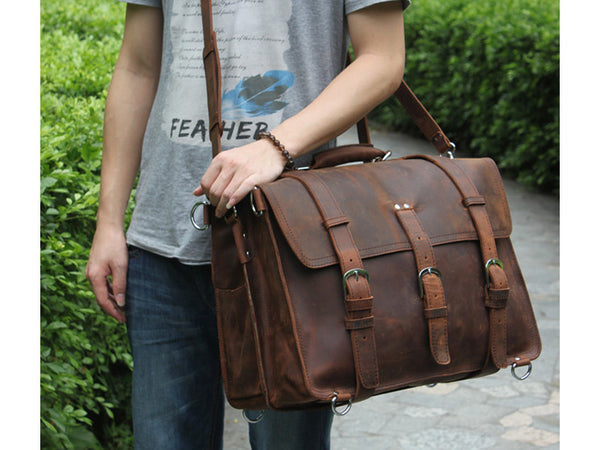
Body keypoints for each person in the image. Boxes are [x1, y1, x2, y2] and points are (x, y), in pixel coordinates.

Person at [86, 0, 409, 448]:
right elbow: (138, 67)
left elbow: (383, 59)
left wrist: (276, 146)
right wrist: (109, 224)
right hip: (163, 248)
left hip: (290, 250)